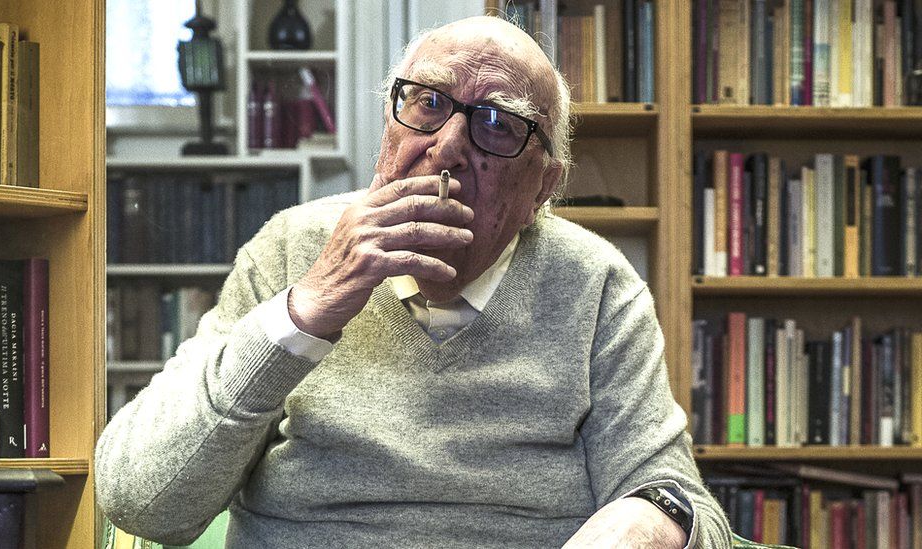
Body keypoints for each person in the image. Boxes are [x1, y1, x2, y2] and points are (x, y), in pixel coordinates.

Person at [96, 15, 732, 549]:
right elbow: (142, 501)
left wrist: (653, 518)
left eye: (495, 123)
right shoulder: (291, 249)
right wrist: (304, 313)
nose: (448, 145)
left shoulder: (597, 285)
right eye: (427, 104)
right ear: (388, 131)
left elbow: (680, 498)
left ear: (542, 186)